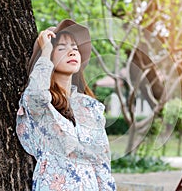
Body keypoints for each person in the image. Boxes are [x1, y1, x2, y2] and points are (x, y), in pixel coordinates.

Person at [16, 19, 116, 191]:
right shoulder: (40, 103)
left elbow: (102, 162)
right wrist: (46, 51)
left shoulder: (90, 107)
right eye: (62, 48)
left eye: (75, 48)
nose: (72, 52)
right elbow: (37, 95)